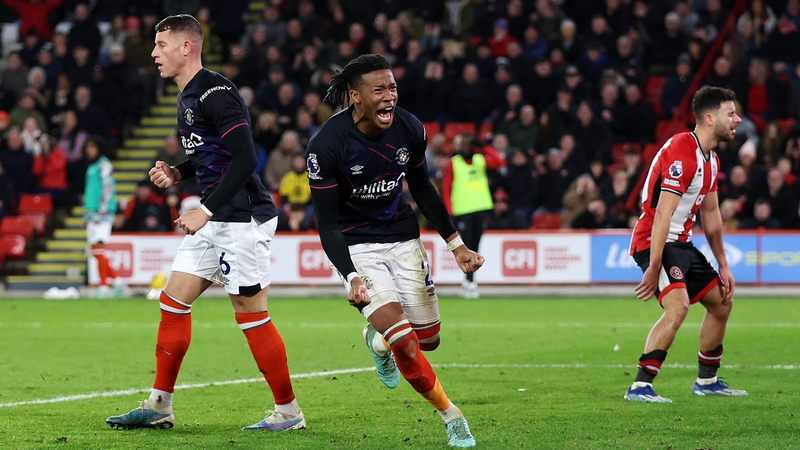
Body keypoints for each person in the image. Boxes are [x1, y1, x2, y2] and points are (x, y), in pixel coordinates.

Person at [105, 14, 305, 432]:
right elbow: (211, 155)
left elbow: (246, 157)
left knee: (250, 314)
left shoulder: (216, 92)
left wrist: (206, 209)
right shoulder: (187, 96)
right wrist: (179, 172)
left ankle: (289, 412)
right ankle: (159, 406)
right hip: (217, 215)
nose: (154, 53)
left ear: (186, 47)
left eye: (161, 45)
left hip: (242, 218)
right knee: (172, 300)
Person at [306, 54, 481, 448]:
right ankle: (452, 416)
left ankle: (376, 340)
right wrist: (350, 275)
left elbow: (421, 187)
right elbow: (326, 222)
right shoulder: (326, 145)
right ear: (355, 97)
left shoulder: (409, 128)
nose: (390, 97)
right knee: (404, 340)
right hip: (357, 247)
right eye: (379, 90)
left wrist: (455, 245)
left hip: (403, 239)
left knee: (427, 340)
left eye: (393, 88)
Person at [625, 86, 748, 403]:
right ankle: (640, 386)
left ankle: (707, 381)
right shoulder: (683, 148)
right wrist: (653, 268)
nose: (737, 119)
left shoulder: (711, 160)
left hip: (681, 243)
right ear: (709, 118)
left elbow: (712, 215)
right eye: (730, 113)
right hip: (654, 239)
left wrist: (723, 263)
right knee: (677, 306)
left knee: (721, 302)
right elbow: (663, 214)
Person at [442, 132, 505, 298]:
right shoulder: (454, 163)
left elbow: (499, 161)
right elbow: (446, 188)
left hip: (480, 207)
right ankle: (468, 281)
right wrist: (449, 211)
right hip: (463, 209)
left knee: (475, 246)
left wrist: (484, 146)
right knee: (467, 246)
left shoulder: (480, 159)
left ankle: (469, 281)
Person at [82, 137, 124, 299]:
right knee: (96, 250)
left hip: (101, 213)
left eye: (92, 147)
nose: (89, 150)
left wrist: (102, 211)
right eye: (88, 147)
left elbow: (108, 188)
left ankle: (105, 286)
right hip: (93, 212)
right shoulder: (94, 165)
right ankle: (115, 282)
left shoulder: (103, 165)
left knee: (98, 249)